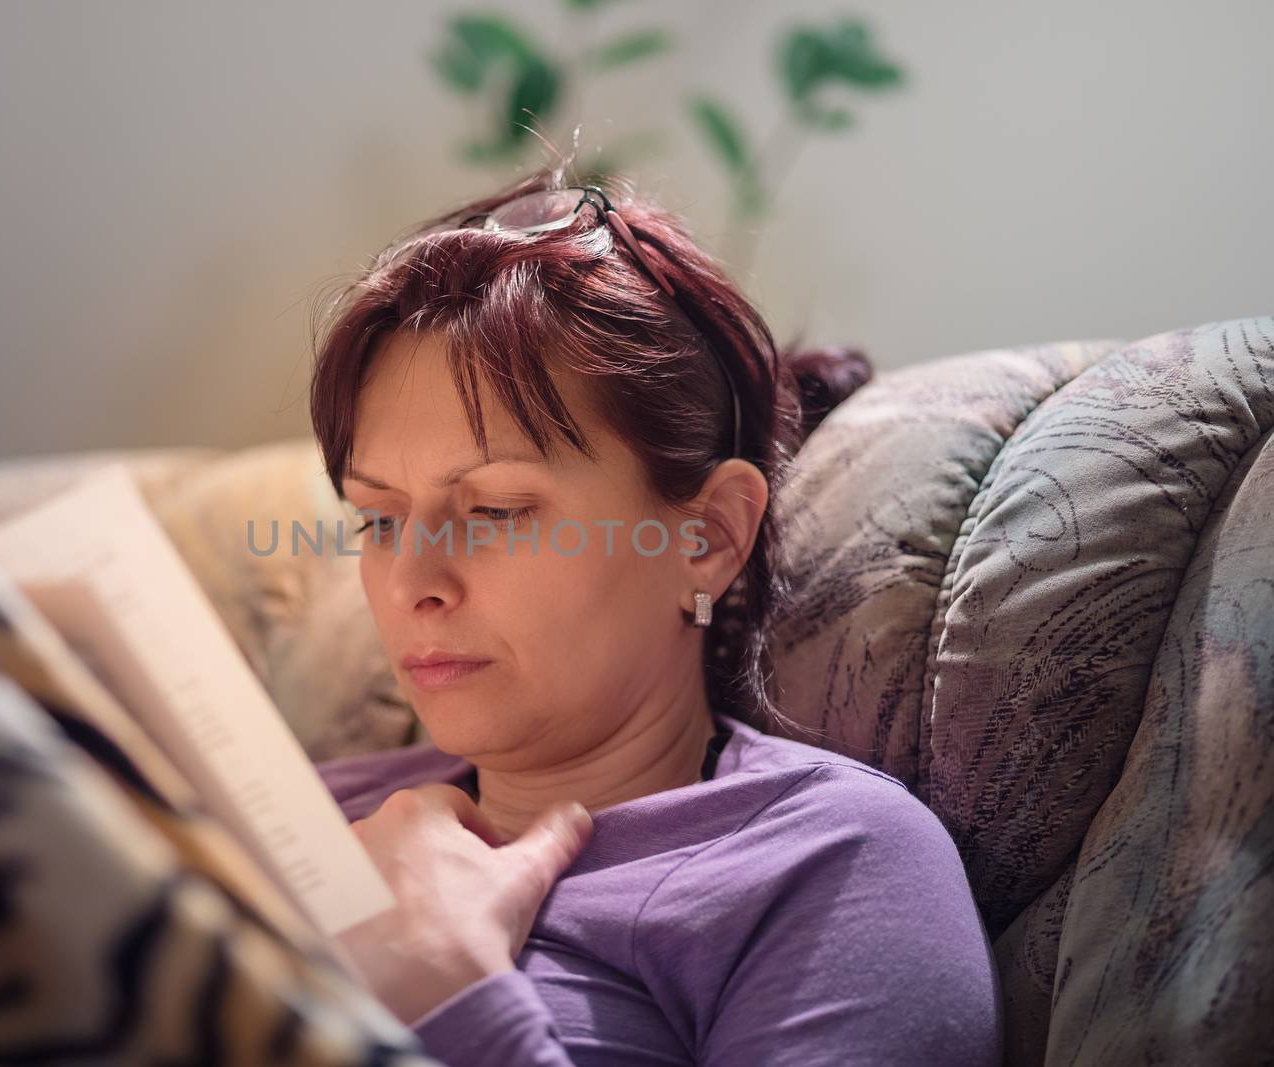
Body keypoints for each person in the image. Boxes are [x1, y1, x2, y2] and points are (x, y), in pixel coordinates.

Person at [306, 166, 1004, 1066]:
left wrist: (446, 993)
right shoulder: (317, 817)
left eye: (495, 510)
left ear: (707, 536)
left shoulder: (831, 865)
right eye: (381, 518)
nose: (412, 581)